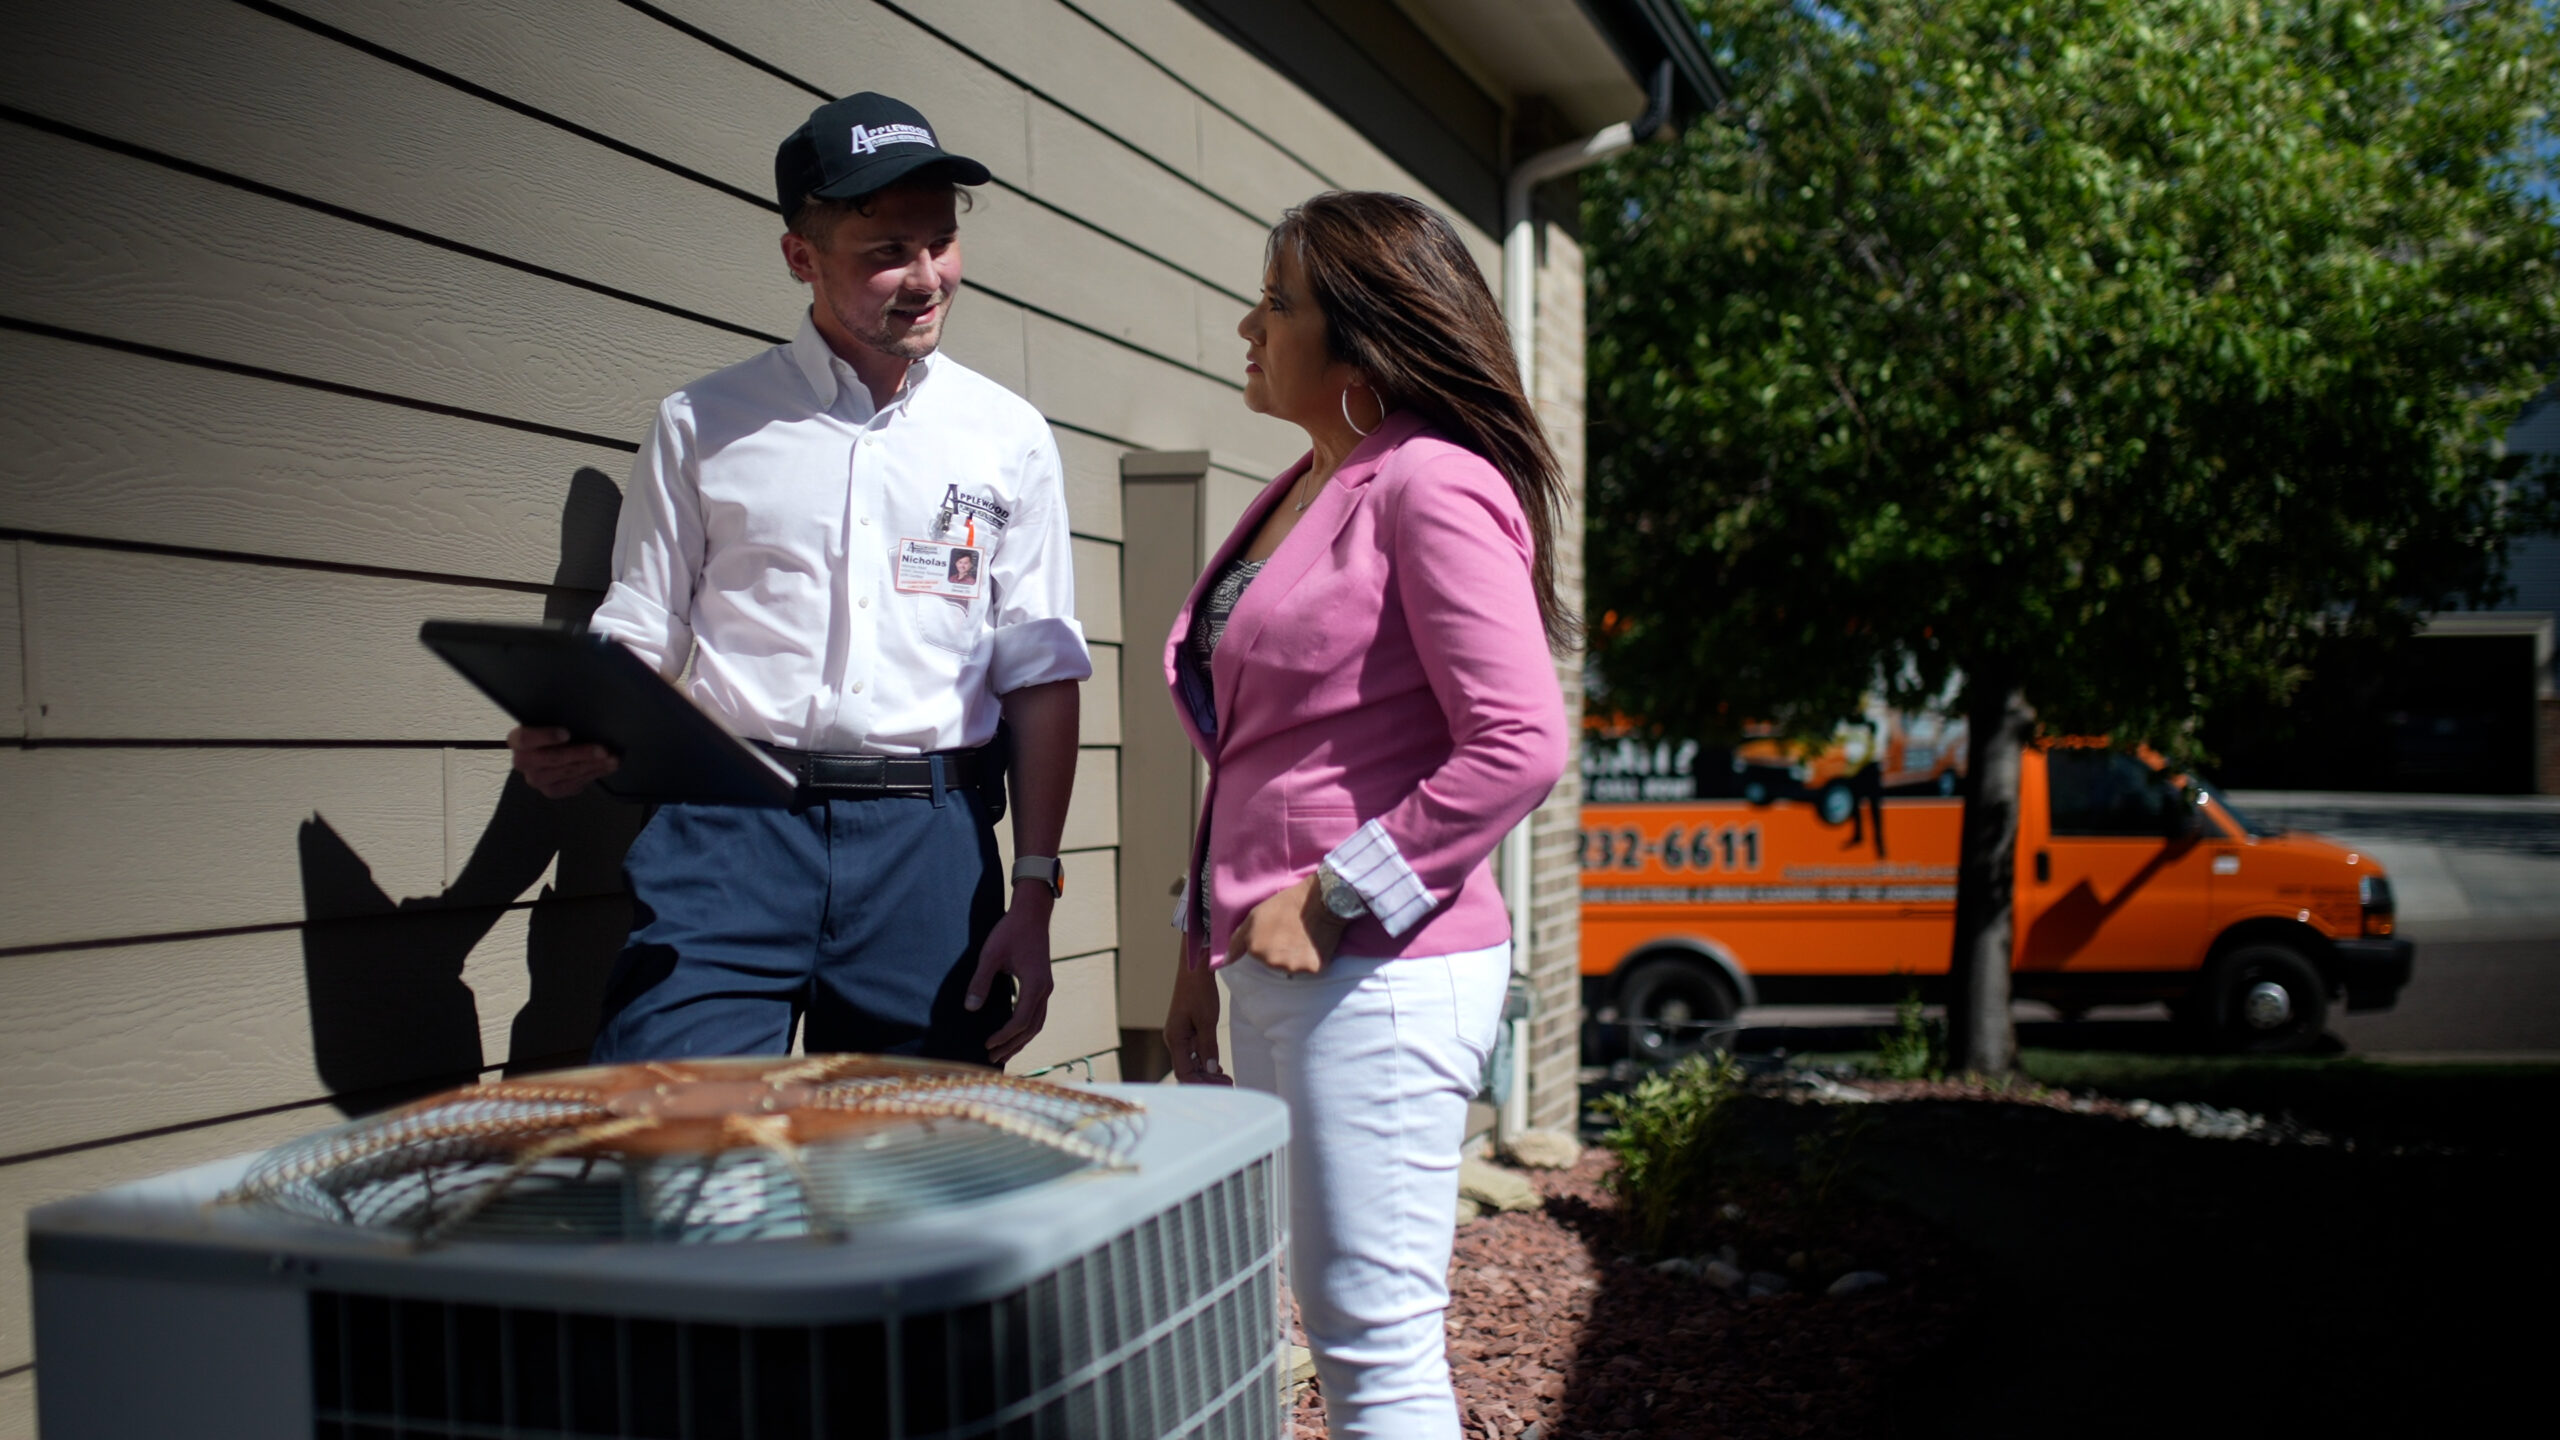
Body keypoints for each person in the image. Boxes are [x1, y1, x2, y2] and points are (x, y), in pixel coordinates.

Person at [508, 92, 1088, 1067]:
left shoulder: (1008, 437)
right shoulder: (703, 422)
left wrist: (1032, 887)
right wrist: (583, 720)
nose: (925, 278)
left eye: (940, 243)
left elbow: (1039, 672)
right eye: (884, 253)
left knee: (910, 1169)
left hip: (929, 846)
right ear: (800, 257)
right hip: (728, 832)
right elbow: (644, 617)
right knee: (680, 1138)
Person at [1161, 192, 1572, 1438]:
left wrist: (1339, 894)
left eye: (1276, 305)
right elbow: (1253, 754)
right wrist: (1196, 950)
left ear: (1362, 342)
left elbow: (1520, 742)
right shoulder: (1310, 482)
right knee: (1329, 1329)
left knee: (1373, 1344)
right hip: (1283, 959)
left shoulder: (1429, 485)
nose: (1248, 325)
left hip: (1380, 969)